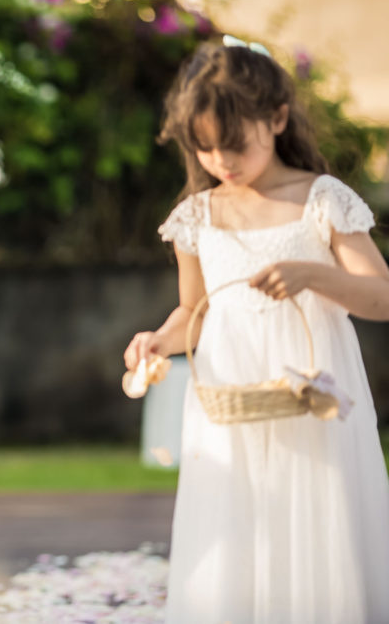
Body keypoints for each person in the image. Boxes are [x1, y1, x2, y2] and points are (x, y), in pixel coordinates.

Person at [124, 38, 389, 623]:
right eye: (206, 148)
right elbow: (192, 310)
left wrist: (315, 275)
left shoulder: (322, 199)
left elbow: (382, 297)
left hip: (310, 398)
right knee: (240, 517)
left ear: (277, 118)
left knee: (317, 514)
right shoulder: (198, 213)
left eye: (235, 144)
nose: (223, 161)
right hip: (231, 401)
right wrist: (158, 341)